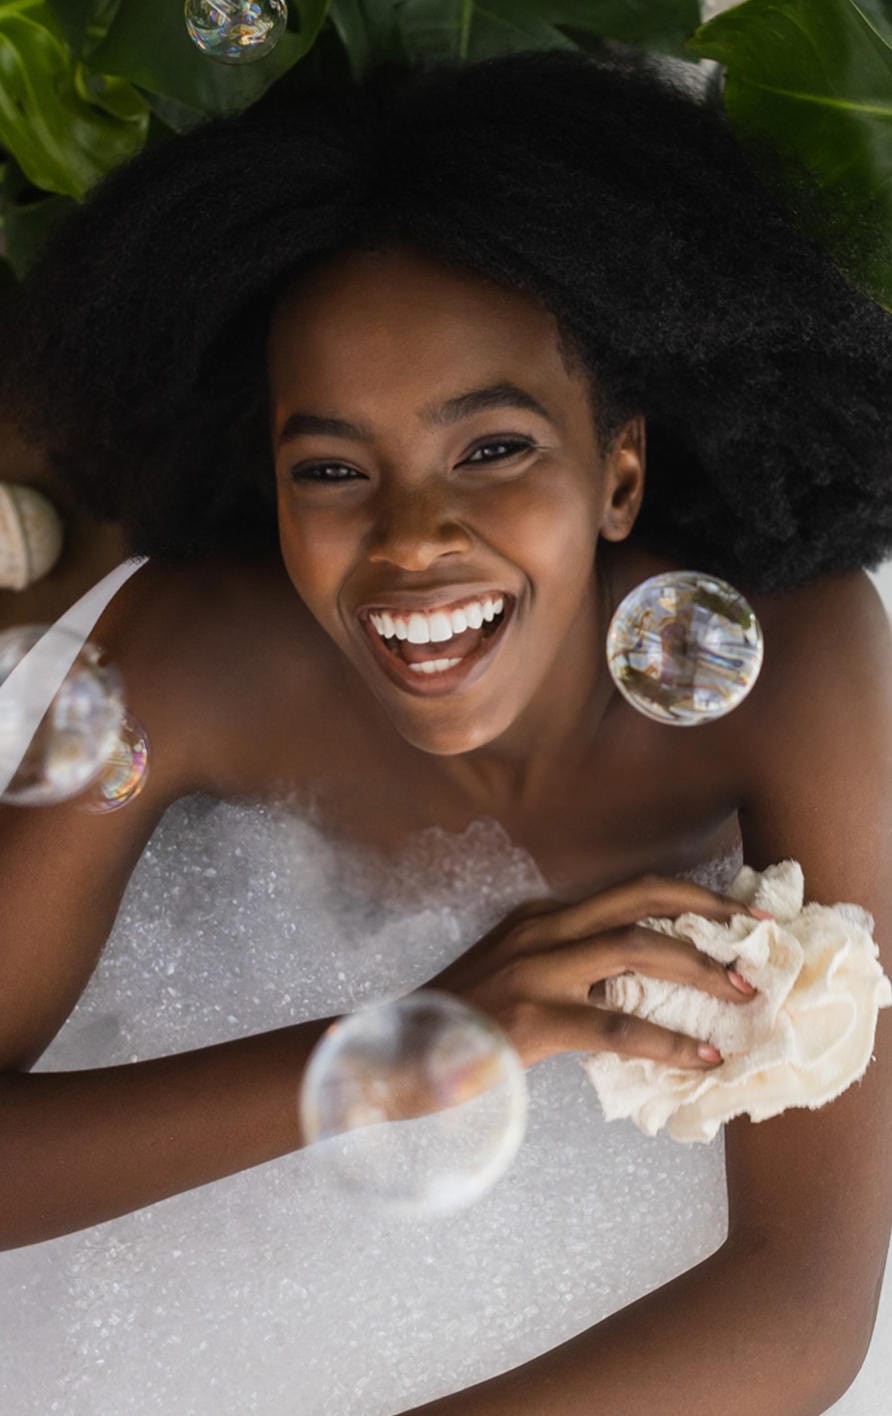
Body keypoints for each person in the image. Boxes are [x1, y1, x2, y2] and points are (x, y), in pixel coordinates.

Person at [1, 46, 891, 1416]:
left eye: (493, 449)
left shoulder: (795, 657)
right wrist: (420, 1037)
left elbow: (801, 1306)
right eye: (335, 470)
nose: (413, 538)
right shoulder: (178, 668)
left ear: (622, 474)